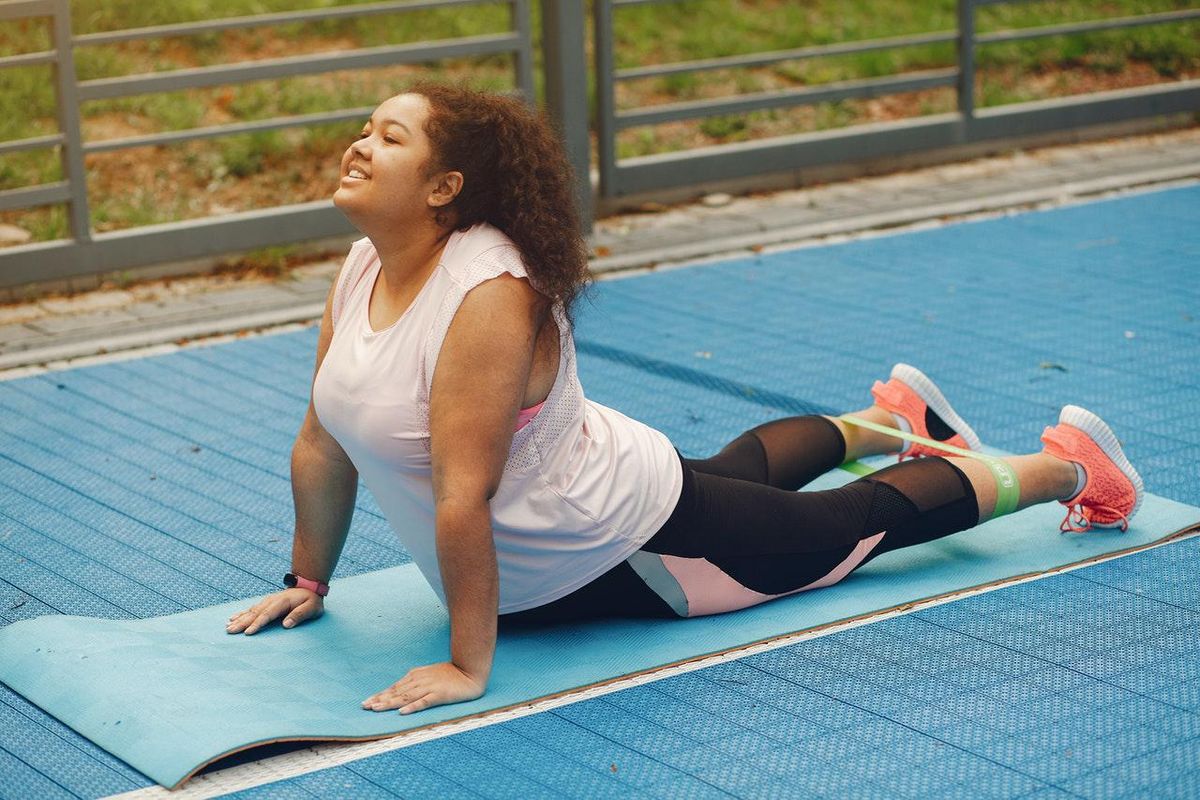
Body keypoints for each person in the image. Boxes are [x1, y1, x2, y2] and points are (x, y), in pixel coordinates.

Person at [225, 83, 1143, 717]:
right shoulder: (364, 265)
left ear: (444, 188)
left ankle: (1070, 468)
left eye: (390, 136)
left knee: (850, 528)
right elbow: (322, 442)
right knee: (741, 472)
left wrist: (471, 664)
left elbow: (464, 492)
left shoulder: (487, 295)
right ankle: (899, 418)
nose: (359, 143)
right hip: (597, 491)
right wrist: (309, 580)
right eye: (366, 127)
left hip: (615, 542)